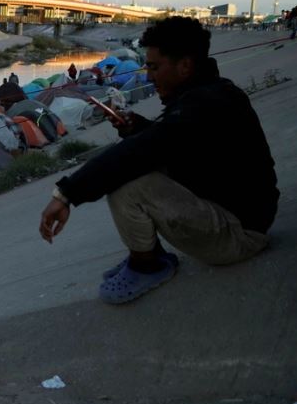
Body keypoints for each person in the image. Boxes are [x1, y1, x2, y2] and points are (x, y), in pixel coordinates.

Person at [38, 17, 278, 305]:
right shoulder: (210, 94)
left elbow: (140, 153)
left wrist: (65, 195)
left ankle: (147, 264)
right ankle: (149, 253)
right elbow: (174, 142)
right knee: (138, 163)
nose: (149, 76)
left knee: (128, 182)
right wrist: (136, 127)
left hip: (239, 234)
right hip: (238, 212)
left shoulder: (203, 104)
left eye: (154, 67)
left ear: (185, 66)